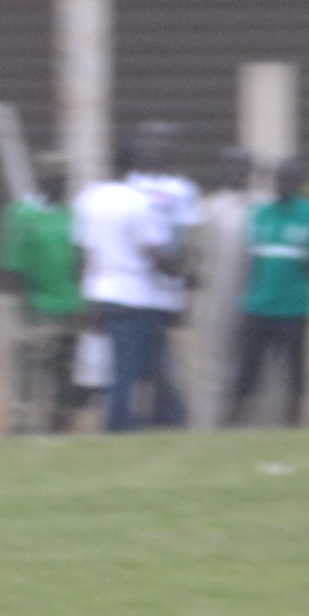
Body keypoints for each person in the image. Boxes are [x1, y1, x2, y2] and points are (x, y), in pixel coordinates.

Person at [72, 136, 194, 432]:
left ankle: (153, 418)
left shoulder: (89, 199)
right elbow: (153, 252)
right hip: (135, 295)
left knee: (109, 364)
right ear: (135, 165)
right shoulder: (138, 203)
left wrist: (87, 295)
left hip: (101, 291)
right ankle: (121, 425)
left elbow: (84, 252)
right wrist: (180, 275)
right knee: (129, 368)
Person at [232, 162, 309, 427]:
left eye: (289, 181)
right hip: (258, 306)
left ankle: (295, 427)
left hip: (295, 308)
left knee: (295, 374)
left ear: (299, 183)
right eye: (279, 181)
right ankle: (234, 426)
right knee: (246, 373)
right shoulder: (261, 214)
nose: (282, 187)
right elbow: (251, 259)